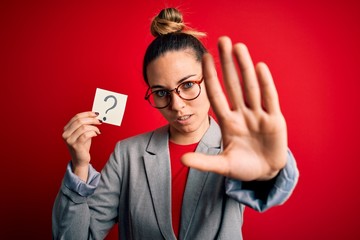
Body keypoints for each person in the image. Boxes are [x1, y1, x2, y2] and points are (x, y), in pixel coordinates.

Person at [52, 7, 299, 240]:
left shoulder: (235, 147)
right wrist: (80, 166)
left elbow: (267, 192)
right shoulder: (127, 154)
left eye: (188, 85)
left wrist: (271, 172)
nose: (177, 105)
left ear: (209, 79)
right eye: (161, 92)